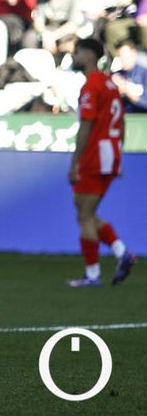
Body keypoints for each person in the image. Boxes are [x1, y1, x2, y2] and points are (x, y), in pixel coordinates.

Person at [67, 38, 137, 287]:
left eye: (77, 52)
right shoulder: (109, 84)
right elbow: (123, 122)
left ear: (88, 55)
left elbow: (86, 125)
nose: (74, 56)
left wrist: (75, 162)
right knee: (86, 211)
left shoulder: (92, 84)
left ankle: (93, 274)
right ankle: (121, 253)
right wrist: (119, 154)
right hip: (110, 154)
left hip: (95, 154)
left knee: (84, 214)